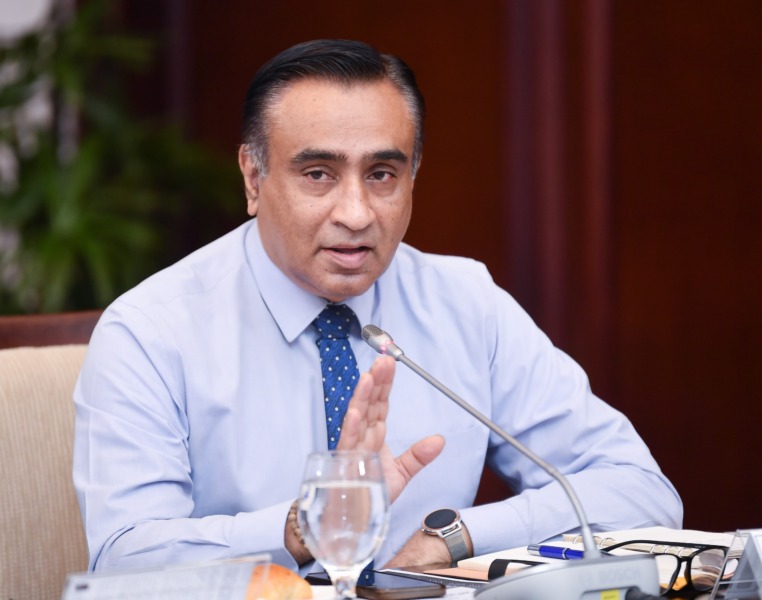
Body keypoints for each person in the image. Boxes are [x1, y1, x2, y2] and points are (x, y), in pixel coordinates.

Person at [73, 39, 682, 574]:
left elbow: (640, 492)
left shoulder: (464, 302)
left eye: (382, 174)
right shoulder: (151, 331)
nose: (357, 213)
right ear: (253, 178)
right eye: (318, 174)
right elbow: (124, 560)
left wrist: (455, 536)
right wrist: (312, 523)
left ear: (414, 175)